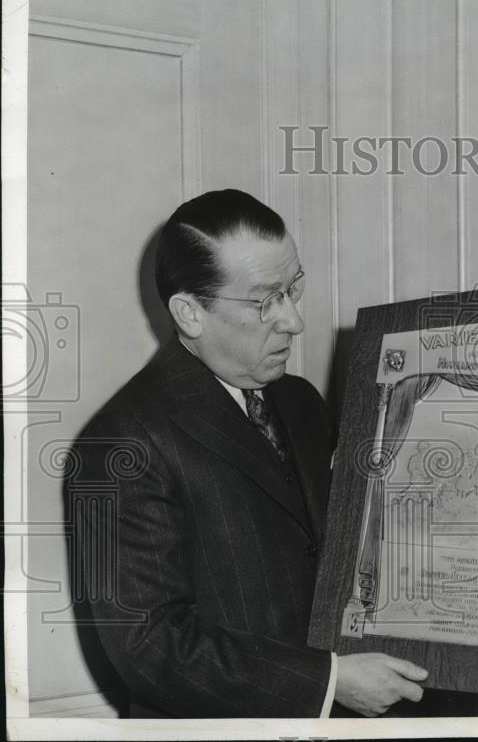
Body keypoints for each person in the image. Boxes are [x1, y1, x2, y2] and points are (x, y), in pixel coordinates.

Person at [71, 189, 427, 718]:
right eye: (265, 301)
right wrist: (327, 682)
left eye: (293, 289)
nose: (293, 321)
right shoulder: (123, 440)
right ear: (190, 313)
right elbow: (150, 648)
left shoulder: (300, 401)